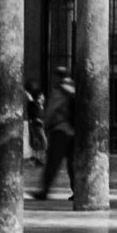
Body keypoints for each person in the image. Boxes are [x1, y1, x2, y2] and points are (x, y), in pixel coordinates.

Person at [30, 65, 78, 202]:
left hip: (61, 130)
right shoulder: (74, 88)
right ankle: (78, 190)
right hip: (73, 131)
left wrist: (46, 124)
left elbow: (52, 110)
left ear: (57, 76)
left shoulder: (60, 90)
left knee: (52, 163)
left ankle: (44, 191)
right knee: (73, 163)